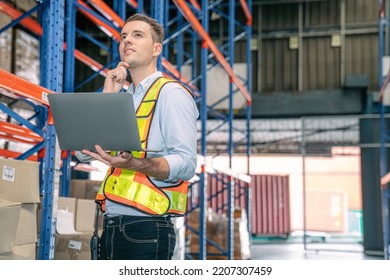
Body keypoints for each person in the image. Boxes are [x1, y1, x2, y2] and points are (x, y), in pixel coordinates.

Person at [76, 13, 199, 260]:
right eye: (123, 36)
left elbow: (186, 164)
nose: (126, 41)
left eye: (137, 35)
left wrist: (133, 164)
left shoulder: (171, 94)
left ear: (156, 49)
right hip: (111, 225)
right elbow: (82, 152)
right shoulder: (121, 96)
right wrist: (108, 95)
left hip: (147, 228)